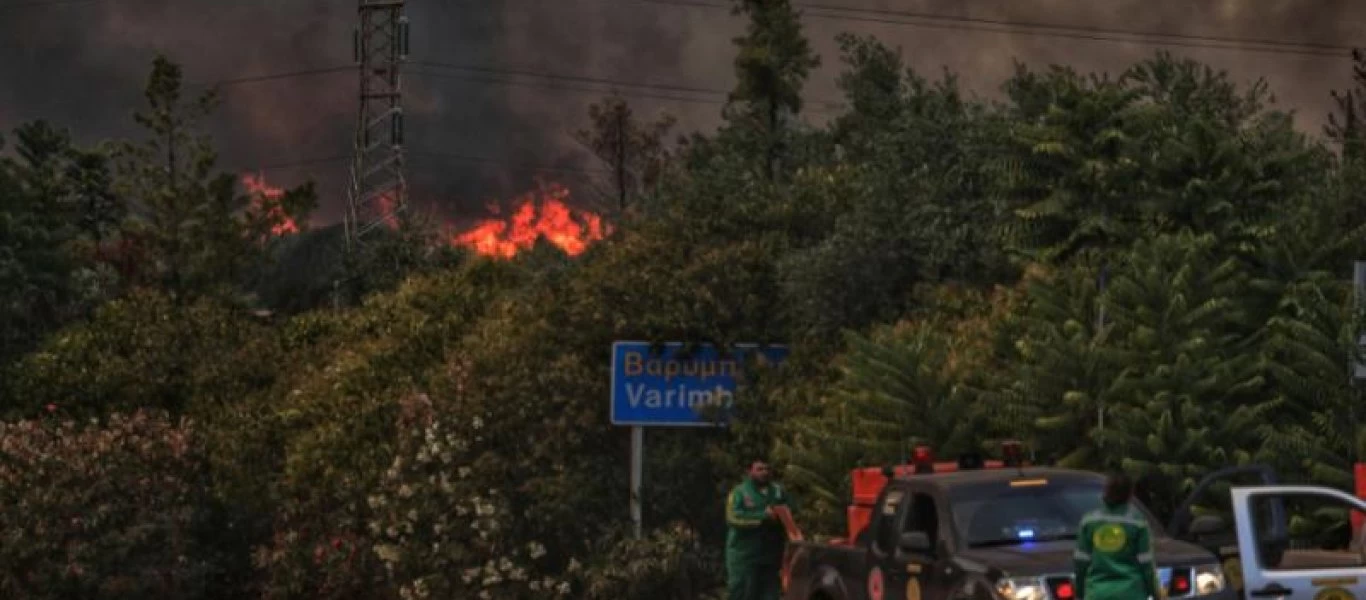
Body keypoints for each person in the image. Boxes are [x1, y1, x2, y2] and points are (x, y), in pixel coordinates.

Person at [1073, 473, 1165, 600]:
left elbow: (1081, 564)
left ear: (1105, 492)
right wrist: (1156, 593)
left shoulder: (1089, 521)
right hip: (1132, 593)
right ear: (1130, 494)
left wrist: (1079, 593)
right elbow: (1147, 565)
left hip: (1097, 593)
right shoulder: (1137, 523)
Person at [725, 459, 792, 600]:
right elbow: (733, 517)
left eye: (767, 469)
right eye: (759, 469)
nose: (764, 473)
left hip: (771, 557)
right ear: (750, 471)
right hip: (745, 557)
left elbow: (791, 513)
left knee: (770, 595)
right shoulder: (739, 492)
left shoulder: (778, 491)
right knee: (742, 594)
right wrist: (762, 516)